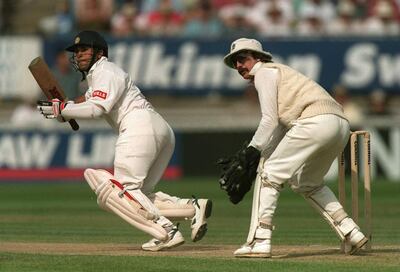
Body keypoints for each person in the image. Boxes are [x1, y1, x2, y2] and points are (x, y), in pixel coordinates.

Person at [36, 30, 212, 251]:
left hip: (138, 127)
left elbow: (97, 109)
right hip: (160, 129)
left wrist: (63, 108)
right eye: (76, 51)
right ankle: (192, 207)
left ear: (99, 53)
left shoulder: (105, 70)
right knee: (141, 194)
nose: (79, 55)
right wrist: (66, 110)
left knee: (124, 189)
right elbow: (85, 102)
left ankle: (166, 230)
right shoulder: (100, 77)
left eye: (84, 50)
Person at [222, 38, 368, 258]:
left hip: (315, 121)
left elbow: (269, 120)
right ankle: (351, 231)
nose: (239, 66)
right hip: (339, 124)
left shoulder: (264, 72)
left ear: (258, 58)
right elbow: (281, 126)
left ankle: (260, 240)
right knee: (306, 183)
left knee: (269, 174)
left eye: (243, 59)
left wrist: (250, 151)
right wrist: (259, 153)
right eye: (235, 63)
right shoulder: (280, 74)